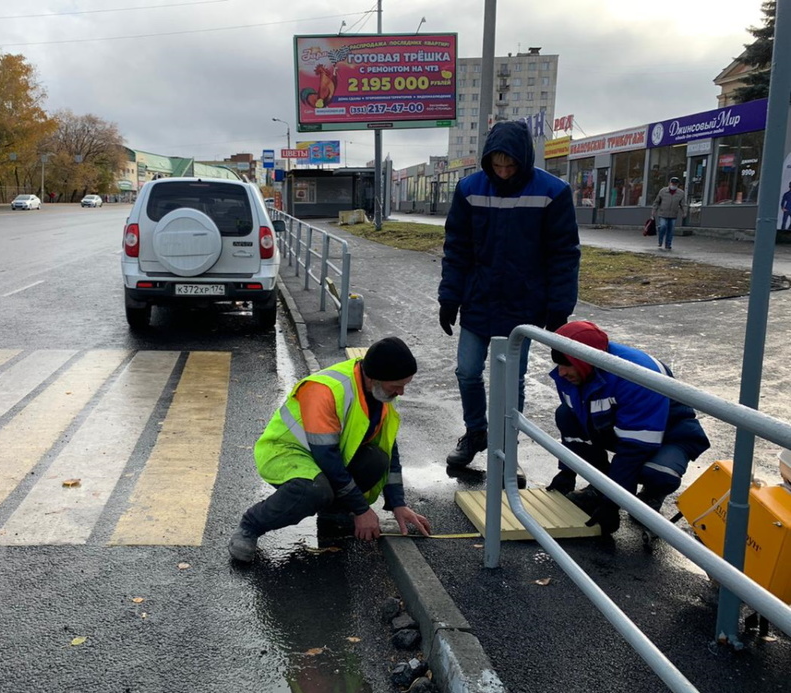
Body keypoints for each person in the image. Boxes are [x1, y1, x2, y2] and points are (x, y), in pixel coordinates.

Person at [438, 120, 580, 469]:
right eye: (496, 165)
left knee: (510, 381)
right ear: (488, 161)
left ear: (524, 160)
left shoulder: (552, 192)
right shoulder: (469, 188)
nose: (503, 172)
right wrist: (449, 297)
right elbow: (457, 248)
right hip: (478, 300)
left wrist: (559, 309)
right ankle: (475, 433)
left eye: (510, 165)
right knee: (467, 372)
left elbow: (564, 253)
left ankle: (506, 450)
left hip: (523, 304)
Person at [228, 337, 432, 563]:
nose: (401, 392)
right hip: (286, 453)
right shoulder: (326, 390)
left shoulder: (380, 394)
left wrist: (398, 504)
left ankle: (334, 515)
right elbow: (327, 459)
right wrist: (361, 510)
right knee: (315, 490)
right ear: (373, 377)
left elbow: (389, 451)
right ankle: (250, 526)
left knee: (377, 459)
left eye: (404, 385)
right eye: (396, 386)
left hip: (327, 456)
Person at [545, 321, 710, 534]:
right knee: (566, 415)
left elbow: (635, 448)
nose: (561, 372)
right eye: (558, 364)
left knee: (659, 473)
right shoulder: (574, 373)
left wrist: (612, 504)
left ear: (583, 359)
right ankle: (599, 487)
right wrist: (567, 471)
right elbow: (576, 420)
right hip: (619, 426)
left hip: (669, 434)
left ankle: (650, 496)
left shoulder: (636, 375)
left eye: (567, 364)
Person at [651, 177, 687, 251]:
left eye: (675, 184)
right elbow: (656, 202)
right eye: (672, 183)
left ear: (677, 184)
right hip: (663, 213)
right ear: (669, 183)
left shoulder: (681, 193)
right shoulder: (663, 191)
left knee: (671, 230)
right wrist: (653, 211)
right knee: (663, 226)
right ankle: (660, 241)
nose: (673, 185)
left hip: (673, 214)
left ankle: (668, 244)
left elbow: (683, 204)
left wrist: (684, 212)